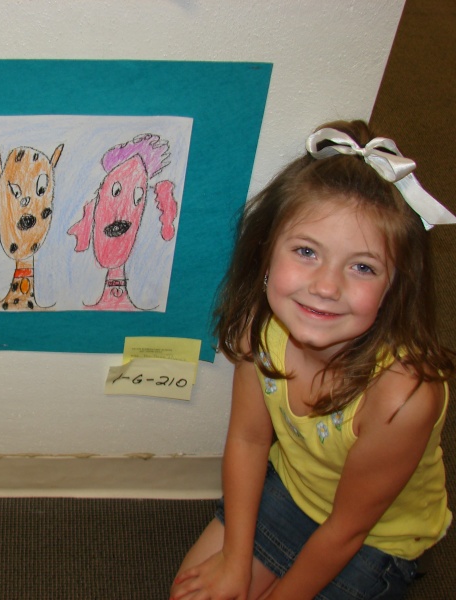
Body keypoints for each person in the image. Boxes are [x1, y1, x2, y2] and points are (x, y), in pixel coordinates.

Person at [170, 120, 456, 600]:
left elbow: (346, 530)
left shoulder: (401, 397)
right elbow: (247, 438)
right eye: (306, 251)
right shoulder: (261, 329)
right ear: (266, 254)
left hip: (377, 536)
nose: (326, 287)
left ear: (395, 286)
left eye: (362, 266)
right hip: (292, 492)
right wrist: (236, 563)